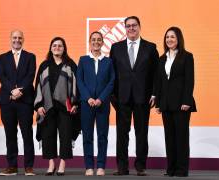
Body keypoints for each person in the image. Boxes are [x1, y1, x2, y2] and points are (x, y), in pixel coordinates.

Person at [110, 16, 159, 176]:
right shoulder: (116, 48)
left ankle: (140, 166)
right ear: (125, 28)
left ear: (139, 27)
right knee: (121, 134)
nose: (131, 28)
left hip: (143, 97)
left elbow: (155, 74)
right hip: (121, 98)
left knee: (141, 132)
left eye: (134, 25)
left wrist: (154, 93)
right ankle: (122, 167)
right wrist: (112, 96)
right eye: (128, 26)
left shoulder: (151, 48)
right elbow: (112, 74)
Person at [155, 26, 196, 177]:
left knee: (181, 138)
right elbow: (159, 82)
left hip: (181, 104)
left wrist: (187, 101)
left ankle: (181, 169)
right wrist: (158, 103)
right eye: (167, 37)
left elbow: (189, 81)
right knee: (170, 138)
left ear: (178, 39)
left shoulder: (187, 56)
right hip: (165, 104)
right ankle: (171, 169)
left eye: (172, 37)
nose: (169, 40)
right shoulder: (161, 58)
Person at [34, 37, 78, 176]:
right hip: (48, 107)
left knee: (65, 136)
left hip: (66, 107)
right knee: (48, 136)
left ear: (64, 48)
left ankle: (62, 165)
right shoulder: (44, 65)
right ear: (50, 48)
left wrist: (75, 103)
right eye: (54, 45)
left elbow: (77, 86)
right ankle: (51, 164)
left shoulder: (71, 64)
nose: (57, 48)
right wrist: (39, 106)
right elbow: (38, 86)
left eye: (60, 46)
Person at [0, 30, 36, 176]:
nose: (17, 40)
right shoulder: (3, 57)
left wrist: (20, 91)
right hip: (7, 100)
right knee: (10, 134)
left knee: (27, 133)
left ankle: (29, 167)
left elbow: (30, 75)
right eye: (14, 37)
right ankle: (12, 166)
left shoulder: (30, 57)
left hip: (25, 100)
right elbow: (2, 76)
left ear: (23, 40)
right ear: (10, 39)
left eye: (20, 38)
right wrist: (12, 91)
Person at [77, 31, 115, 176]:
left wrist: (101, 99)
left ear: (103, 42)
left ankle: (100, 166)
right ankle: (89, 166)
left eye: (99, 40)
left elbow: (111, 82)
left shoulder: (108, 61)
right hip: (86, 104)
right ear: (90, 42)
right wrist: (88, 98)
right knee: (87, 136)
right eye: (93, 40)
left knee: (102, 136)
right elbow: (79, 81)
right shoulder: (83, 60)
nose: (96, 42)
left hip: (102, 104)